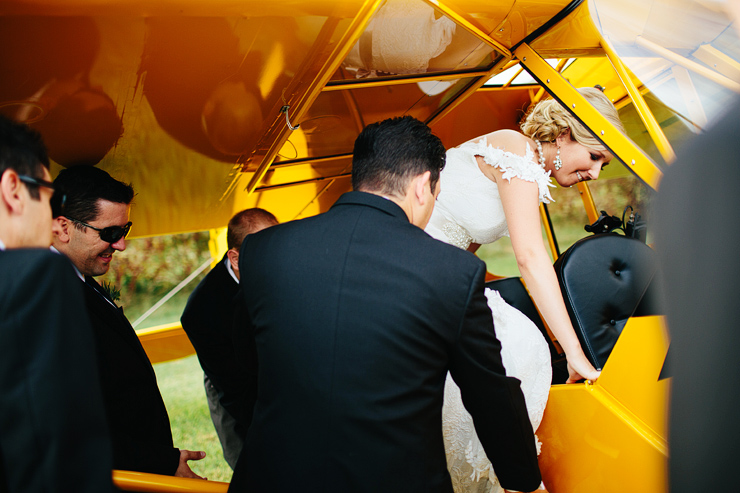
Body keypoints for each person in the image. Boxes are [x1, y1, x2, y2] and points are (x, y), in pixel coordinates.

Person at [228, 116, 543, 493]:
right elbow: (489, 394)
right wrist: (522, 479)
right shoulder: (453, 271)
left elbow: (245, 368)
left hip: (273, 478)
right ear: (424, 186)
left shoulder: (264, 251)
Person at [424, 87, 624, 492]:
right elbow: (531, 258)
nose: (597, 173)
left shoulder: (524, 163)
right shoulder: (515, 149)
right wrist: (574, 354)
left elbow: (464, 248)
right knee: (519, 343)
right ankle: (508, 474)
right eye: (595, 156)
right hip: (420, 274)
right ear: (565, 134)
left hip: (438, 272)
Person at [50, 165, 206, 478]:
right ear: (63, 227)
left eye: (125, 229)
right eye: (109, 233)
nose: (121, 244)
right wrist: (157, 462)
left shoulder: (77, 278)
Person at [0, 115, 114, 492]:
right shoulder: (35, 278)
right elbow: (62, 452)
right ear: (14, 189)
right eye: (50, 198)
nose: (53, 221)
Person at [181, 207, 278, 469]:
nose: (277, 258)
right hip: (231, 384)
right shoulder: (201, 311)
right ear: (235, 259)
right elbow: (234, 390)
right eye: (265, 250)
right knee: (252, 462)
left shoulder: (278, 268)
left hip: (274, 366)